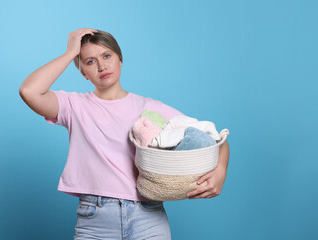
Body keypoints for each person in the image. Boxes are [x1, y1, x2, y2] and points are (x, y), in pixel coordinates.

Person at [19, 28, 230, 239]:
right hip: (95, 221)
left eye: (107, 56)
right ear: (83, 72)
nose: (102, 66)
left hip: (148, 218)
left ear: (120, 60)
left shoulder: (149, 109)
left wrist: (220, 171)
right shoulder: (74, 106)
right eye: (90, 61)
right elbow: (29, 91)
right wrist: (70, 53)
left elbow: (214, 138)